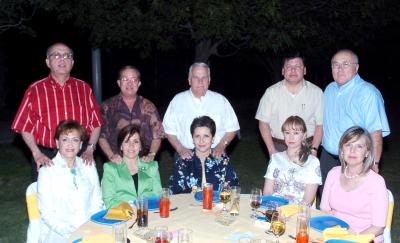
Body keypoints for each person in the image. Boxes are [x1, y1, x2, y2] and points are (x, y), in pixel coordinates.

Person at [11, 42, 102, 179]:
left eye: (67, 56)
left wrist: (90, 149)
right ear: (48, 62)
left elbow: (96, 123)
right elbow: (24, 126)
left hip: (79, 154)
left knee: (83, 197)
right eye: (56, 55)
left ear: (72, 62)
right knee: (47, 198)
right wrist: (37, 154)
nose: (62, 59)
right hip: (47, 157)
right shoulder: (35, 90)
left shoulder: (84, 88)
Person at [321, 49, 390, 193]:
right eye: (335, 65)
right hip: (327, 158)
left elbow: (375, 132)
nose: (339, 69)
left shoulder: (368, 93)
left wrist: (374, 163)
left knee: (351, 205)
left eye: (345, 64)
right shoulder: (329, 89)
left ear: (356, 67)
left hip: (354, 159)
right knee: (327, 202)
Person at [37, 120, 103, 243]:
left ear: (81, 144)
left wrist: (92, 226)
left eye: (75, 140)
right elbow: (47, 213)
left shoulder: (88, 165)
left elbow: (97, 201)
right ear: (57, 143)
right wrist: (72, 233)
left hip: (90, 230)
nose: (70, 144)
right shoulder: (47, 171)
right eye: (65, 139)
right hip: (59, 235)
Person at [321, 126, 388, 242]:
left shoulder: (376, 182)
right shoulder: (333, 174)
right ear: (342, 150)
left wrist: (350, 240)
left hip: (364, 238)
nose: (352, 151)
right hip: (335, 236)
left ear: (367, 152)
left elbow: (378, 227)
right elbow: (324, 210)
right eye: (348, 145)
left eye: (359, 146)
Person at [163, 62, 240, 159]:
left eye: (204, 77)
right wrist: (180, 149)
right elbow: (168, 130)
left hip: (216, 154)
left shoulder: (221, 100)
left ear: (209, 80)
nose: (200, 81)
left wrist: (221, 146)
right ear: (189, 80)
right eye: (196, 78)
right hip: (185, 155)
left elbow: (232, 128)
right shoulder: (177, 101)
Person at [256, 52, 323, 157]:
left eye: (297, 66)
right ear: (283, 71)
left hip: (307, 147)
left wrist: (314, 150)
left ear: (304, 70)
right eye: (289, 67)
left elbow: (320, 124)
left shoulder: (317, 93)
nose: (293, 70)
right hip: (279, 146)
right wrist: (271, 150)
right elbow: (263, 123)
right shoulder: (271, 92)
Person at [99, 65, 164, 163]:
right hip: (116, 163)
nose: (129, 83)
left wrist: (152, 154)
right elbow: (101, 136)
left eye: (133, 79)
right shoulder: (107, 107)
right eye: (125, 79)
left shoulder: (149, 106)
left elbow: (158, 135)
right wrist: (111, 156)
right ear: (119, 83)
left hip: (143, 162)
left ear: (139, 83)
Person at [169, 116, 239, 194]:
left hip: (217, 204)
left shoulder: (223, 161)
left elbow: (234, 188)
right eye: (197, 136)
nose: (201, 141)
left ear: (212, 139)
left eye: (206, 136)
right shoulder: (182, 162)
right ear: (192, 139)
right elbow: (175, 192)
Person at [263, 116, 322, 205]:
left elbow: (307, 200)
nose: (291, 137)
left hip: (299, 212)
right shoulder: (275, 159)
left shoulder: (312, 162)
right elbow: (267, 192)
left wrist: (290, 212)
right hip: (275, 209)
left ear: (304, 135)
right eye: (287, 133)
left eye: (296, 133)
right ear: (283, 135)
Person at [102, 124, 162, 208]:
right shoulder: (110, 168)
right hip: (123, 216)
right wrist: (132, 207)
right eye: (127, 141)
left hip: (149, 213)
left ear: (140, 146)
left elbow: (158, 196)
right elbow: (109, 201)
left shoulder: (152, 166)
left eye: (136, 141)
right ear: (121, 146)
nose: (131, 145)